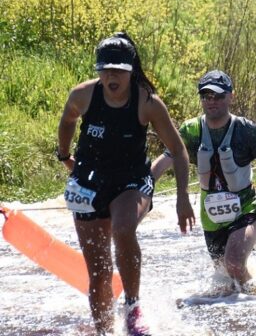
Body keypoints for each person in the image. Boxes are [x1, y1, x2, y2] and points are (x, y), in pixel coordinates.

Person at [57, 32, 195, 336]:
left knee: (122, 228)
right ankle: (104, 331)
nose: (112, 76)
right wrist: (64, 155)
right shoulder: (82, 95)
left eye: (119, 69)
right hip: (89, 181)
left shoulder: (147, 102)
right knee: (100, 271)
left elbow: (179, 149)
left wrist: (182, 197)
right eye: (106, 70)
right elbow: (67, 121)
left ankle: (133, 308)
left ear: (131, 70)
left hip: (132, 180)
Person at [151, 70, 256, 289]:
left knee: (233, 263)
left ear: (230, 96)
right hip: (210, 214)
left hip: (244, 207)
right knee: (225, 278)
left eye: (218, 96)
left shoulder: (246, 130)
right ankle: (242, 301)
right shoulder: (190, 131)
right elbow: (163, 163)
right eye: (206, 96)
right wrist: (140, 190)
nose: (211, 101)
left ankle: (255, 303)